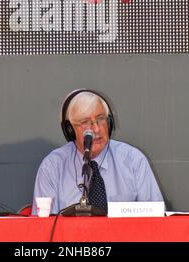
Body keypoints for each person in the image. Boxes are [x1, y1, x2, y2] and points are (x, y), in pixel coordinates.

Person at [32, 89, 164, 215]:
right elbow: (43, 230)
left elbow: (157, 222)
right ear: (70, 130)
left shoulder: (133, 160)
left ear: (109, 122)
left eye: (100, 119)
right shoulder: (52, 167)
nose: (96, 129)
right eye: (85, 122)